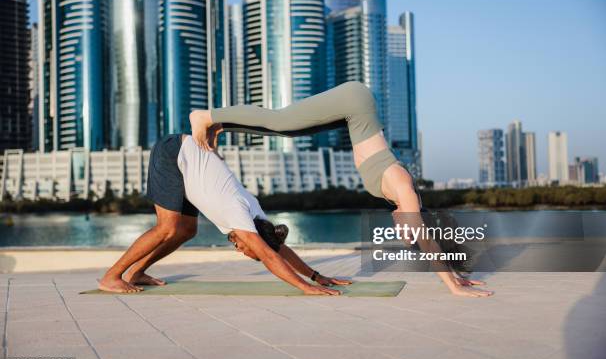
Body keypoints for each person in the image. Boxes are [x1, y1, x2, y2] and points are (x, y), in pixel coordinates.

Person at [189, 81, 493, 297]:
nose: (404, 233)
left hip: (351, 112)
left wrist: (455, 274)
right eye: (408, 231)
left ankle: (221, 124)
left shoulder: (398, 197)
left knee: (289, 129)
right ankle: (206, 115)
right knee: (283, 121)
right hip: (354, 102)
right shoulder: (404, 190)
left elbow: (428, 241)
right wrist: (452, 285)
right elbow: (427, 241)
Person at [98, 134, 350, 294]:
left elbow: (276, 249)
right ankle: (111, 276)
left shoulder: (258, 217)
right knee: (167, 227)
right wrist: (305, 287)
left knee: (186, 230)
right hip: (173, 153)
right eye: (250, 253)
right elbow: (269, 256)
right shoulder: (240, 215)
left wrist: (317, 276)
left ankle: (138, 272)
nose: (243, 252)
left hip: (186, 162)